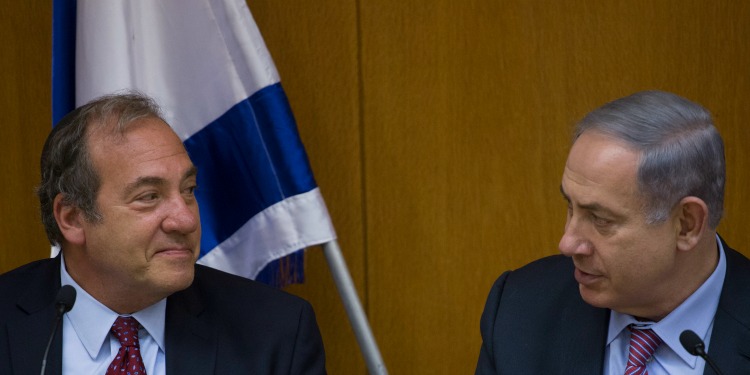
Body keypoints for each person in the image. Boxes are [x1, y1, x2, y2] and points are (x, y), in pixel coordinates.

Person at [0, 93, 326, 374]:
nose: (185, 220)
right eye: (149, 197)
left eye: (188, 189)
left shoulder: (275, 333)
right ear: (72, 218)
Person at [475, 91, 750, 374]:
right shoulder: (521, 310)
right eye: (571, 207)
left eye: (600, 219)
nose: (567, 243)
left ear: (686, 225)